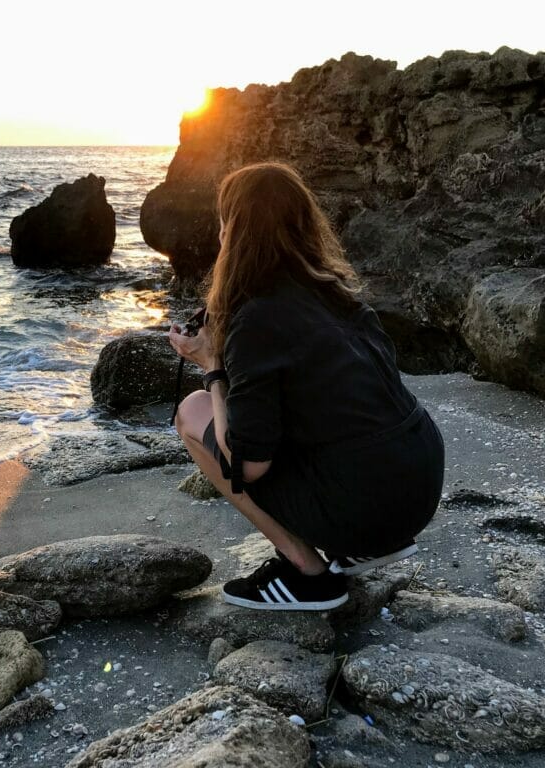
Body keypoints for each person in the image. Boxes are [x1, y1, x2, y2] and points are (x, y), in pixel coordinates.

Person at [168, 161, 444, 611]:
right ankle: (360, 544)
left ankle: (307, 573)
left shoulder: (256, 319)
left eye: (223, 223)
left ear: (232, 233)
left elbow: (247, 465)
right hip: (419, 484)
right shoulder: (336, 292)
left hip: (370, 503)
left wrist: (213, 365)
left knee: (194, 411)